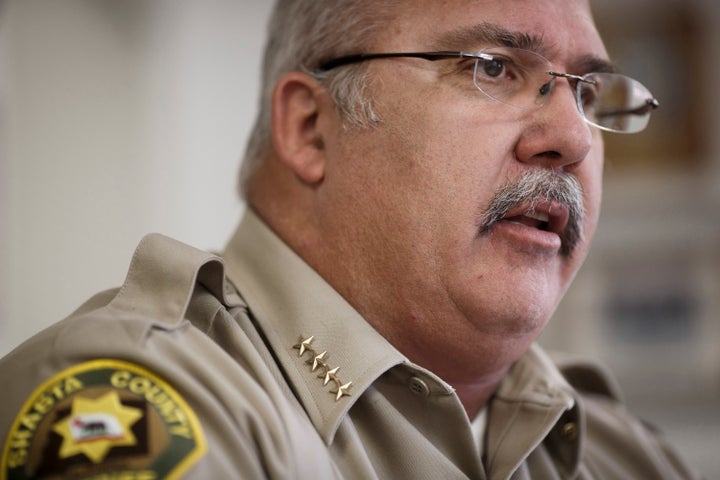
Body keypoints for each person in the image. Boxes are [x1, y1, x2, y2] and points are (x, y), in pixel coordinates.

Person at [0, 0, 697, 479]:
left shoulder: (627, 453)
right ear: (310, 127)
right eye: (491, 67)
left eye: (589, 95)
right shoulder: (137, 405)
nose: (573, 139)